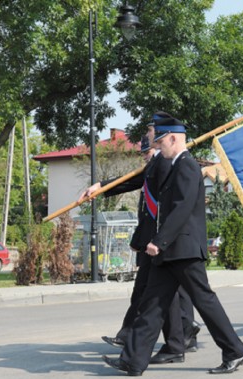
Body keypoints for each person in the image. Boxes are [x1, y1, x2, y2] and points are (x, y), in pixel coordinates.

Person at [103, 116, 243, 376]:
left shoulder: (187, 166)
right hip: (170, 252)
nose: (157, 147)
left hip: (184, 250)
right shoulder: (172, 165)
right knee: (152, 305)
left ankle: (235, 351)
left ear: (173, 138)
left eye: (160, 142)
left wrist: (159, 241)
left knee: (205, 302)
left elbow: (182, 210)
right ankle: (133, 361)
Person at [80, 113, 200, 363]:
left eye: (151, 133)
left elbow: (172, 204)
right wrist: (101, 185)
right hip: (157, 239)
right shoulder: (157, 163)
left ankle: (163, 343)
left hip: (163, 240)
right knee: (160, 295)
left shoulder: (168, 162)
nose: (149, 138)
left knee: (163, 297)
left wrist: (159, 239)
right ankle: (170, 344)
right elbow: (135, 180)